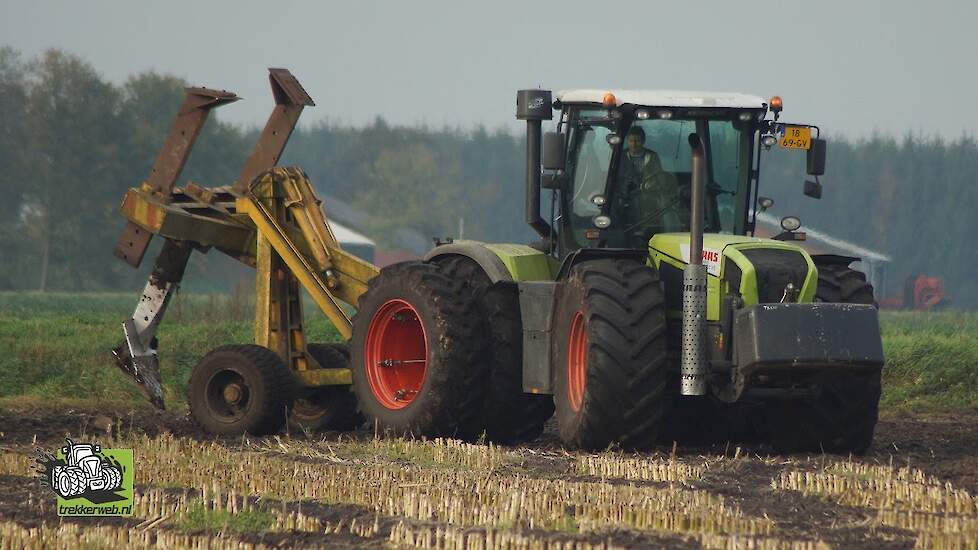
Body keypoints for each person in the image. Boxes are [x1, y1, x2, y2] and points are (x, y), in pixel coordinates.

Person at [618, 126, 682, 232]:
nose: (634, 144)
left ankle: (672, 231)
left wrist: (651, 186)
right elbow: (617, 177)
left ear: (643, 141)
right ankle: (632, 232)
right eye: (631, 141)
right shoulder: (621, 157)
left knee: (665, 203)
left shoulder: (652, 156)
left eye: (637, 141)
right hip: (625, 193)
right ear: (627, 141)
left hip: (649, 193)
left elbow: (658, 175)